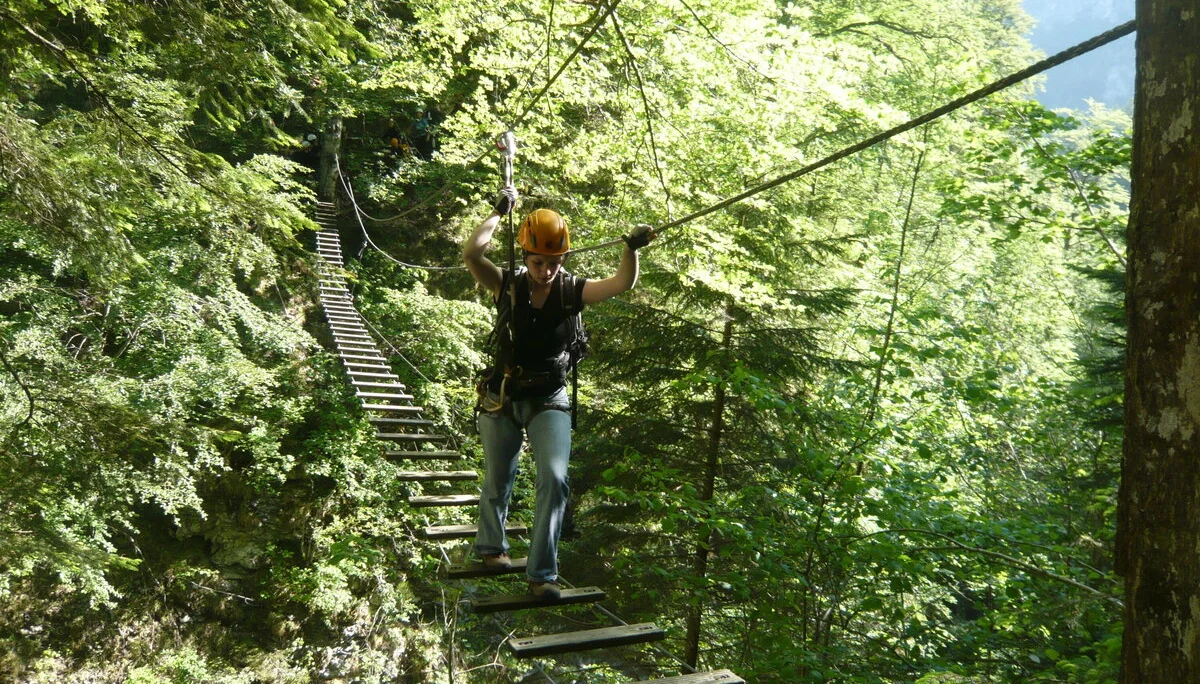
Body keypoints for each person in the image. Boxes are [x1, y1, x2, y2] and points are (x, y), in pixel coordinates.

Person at [462, 187, 653, 599]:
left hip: (550, 398)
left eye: (553, 262)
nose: (545, 270)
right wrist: (499, 212)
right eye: (537, 261)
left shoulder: (572, 291)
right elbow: (472, 255)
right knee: (499, 478)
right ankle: (491, 549)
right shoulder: (507, 285)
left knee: (554, 476)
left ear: (563, 259)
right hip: (503, 395)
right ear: (526, 256)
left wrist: (631, 249)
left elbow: (622, 283)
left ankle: (541, 575)